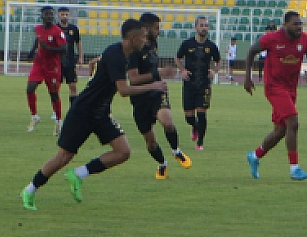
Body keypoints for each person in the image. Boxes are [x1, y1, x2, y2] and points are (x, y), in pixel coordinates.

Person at [21, 18, 164, 211]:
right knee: (64, 156)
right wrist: (153, 85)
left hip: (101, 111)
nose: (145, 40)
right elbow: (123, 90)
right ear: (133, 37)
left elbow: (98, 62)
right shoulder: (117, 55)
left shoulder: (123, 53)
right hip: (84, 111)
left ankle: (79, 174)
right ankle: (30, 190)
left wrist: (94, 65)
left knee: (123, 152)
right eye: (143, 37)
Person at [244, 10, 307, 181]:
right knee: (293, 121)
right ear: (285, 25)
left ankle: (254, 156)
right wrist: (248, 78)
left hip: (291, 88)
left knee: (280, 131)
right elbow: (251, 51)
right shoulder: (272, 38)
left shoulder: (306, 40)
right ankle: (294, 168)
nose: (299, 27)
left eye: (300, 24)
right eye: (295, 24)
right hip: (274, 87)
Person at [127, 12, 191, 180]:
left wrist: (160, 76)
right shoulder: (133, 51)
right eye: (156, 28)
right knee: (151, 142)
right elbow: (133, 79)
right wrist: (159, 72)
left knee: (168, 122)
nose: (159, 31)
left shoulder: (154, 43)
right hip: (140, 98)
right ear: (146, 29)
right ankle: (163, 164)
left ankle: (176, 151)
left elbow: (153, 68)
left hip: (157, 92)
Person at [176, 15, 223, 150]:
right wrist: (183, 70)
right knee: (189, 117)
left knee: (202, 114)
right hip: (189, 84)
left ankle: (200, 143)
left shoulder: (211, 46)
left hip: (204, 84)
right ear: (196, 27)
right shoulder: (187, 44)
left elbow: (219, 61)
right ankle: (195, 127)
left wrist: (214, 71)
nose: (204, 28)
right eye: (201, 25)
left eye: (206, 26)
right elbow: (177, 58)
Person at [24, 6, 65, 134]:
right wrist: (32, 51)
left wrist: (48, 48)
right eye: (47, 14)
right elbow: (38, 39)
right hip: (39, 64)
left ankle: (58, 121)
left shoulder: (57, 31)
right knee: (30, 88)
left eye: (51, 14)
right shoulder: (38, 29)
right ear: (42, 16)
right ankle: (34, 116)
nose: (49, 16)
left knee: (53, 94)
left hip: (52, 66)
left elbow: (64, 48)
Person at [58, 8, 82, 101]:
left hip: (70, 61)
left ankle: (73, 109)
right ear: (58, 15)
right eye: (62, 14)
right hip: (58, 61)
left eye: (66, 14)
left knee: (73, 86)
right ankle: (56, 111)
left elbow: (78, 43)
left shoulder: (74, 29)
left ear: (69, 15)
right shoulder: (55, 28)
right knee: (56, 87)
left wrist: (80, 57)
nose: (64, 16)